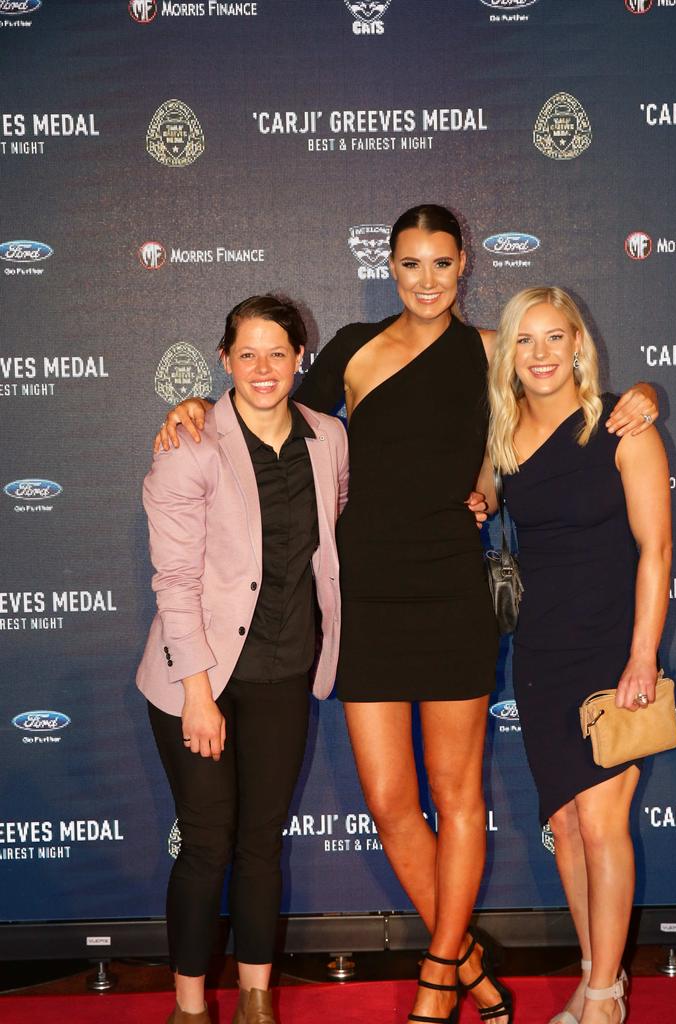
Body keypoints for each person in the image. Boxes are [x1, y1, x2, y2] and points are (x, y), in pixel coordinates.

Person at [155, 207, 659, 1024]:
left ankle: (436, 973)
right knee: (391, 803)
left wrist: (630, 399)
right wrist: (191, 407)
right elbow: (270, 408)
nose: (426, 280)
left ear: (464, 267)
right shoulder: (354, 348)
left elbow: (551, 414)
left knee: (459, 799)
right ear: (390, 267)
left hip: (453, 595)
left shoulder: (497, 349)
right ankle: (468, 967)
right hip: (367, 599)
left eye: (441, 264)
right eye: (410, 264)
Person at [137, 295, 349, 1024]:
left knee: (261, 846)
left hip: (286, 670)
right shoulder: (188, 445)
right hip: (197, 679)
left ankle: (257, 1001)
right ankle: (191, 1010)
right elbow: (175, 581)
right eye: (247, 354)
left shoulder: (329, 439)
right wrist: (198, 695)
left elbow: (336, 528)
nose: (263, 369)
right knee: (206, 844)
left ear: (300, 359)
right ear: (223, 360)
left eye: (278, 353)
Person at [486, 287, 672, 1024]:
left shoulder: (625, 426)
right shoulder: (500, 440)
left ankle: (603, 999)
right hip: (538, 651)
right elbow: (476, 497)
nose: (541, 354)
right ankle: (599, 976)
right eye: (525, 341)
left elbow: (656, 550)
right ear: (509, 352)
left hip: (609, 649)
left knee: (602, 825)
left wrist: (643, 656)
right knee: (564, 823)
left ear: (578, 346)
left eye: (554, 338)